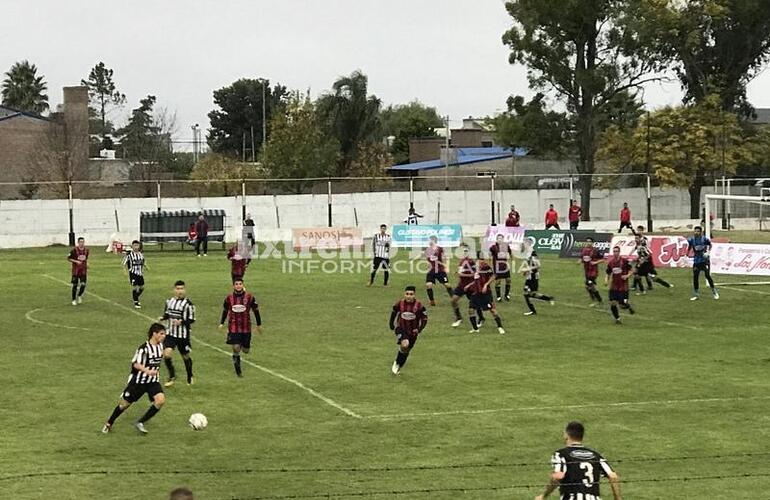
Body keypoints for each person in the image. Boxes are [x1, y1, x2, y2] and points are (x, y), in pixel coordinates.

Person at [102, 323, 167, 434]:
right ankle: (109, 423)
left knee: (160, 400)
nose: (164, 336)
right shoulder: (143, 349)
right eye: (161, 333)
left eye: (164, 334)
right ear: (154, 334)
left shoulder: (161, 346)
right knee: (124, 405)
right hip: (138, 382)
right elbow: (136, 364)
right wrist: (147, 371)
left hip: (153, 381)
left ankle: (140, 422)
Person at [534, 421, 621, 500]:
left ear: (566, 435)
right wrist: (617, 498)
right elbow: (613, 476)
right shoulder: (595, 455)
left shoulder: (561, 454)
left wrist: (543, 495)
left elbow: (558, 476)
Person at [219, 278, 262, 377]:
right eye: (236, 284)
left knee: (245, 350)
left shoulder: (249, 297)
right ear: (233, 286)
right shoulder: (229, 298)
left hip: (246, 327)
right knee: (236, 347)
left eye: (240, 284)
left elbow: (256, 311)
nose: (238, 286)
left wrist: (259, 324)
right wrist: (221, 323)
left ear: (243, 285)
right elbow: (225, 310)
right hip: (233, 327)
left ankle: (242, 344)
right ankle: (238, 371)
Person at [159, 280, 196, 387]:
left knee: (185, 357)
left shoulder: (189, 305)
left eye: (182, 289)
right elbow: (167, 314)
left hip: (183, 336)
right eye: (178, 289)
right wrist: (163, 318)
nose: (180, 291)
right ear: (174, 290)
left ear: (185, 290)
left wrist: (181, 322)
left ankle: (190, 375)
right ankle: (172, 375)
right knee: (166, 354)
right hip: (170, 333)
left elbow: (192, 319)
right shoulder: (169, 301)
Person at [388, 285, 428, 375]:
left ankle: (399, 364)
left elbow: (424, 319)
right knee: (405, 344)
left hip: (413, 332)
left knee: (406, 350)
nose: (409, 296)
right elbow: (394, 312)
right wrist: (391, 324)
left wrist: (419, 329)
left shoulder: (419, 306)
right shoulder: (400, 303)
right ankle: (397, 363)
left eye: (411, 294)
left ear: (414, 295)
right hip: (401, 328)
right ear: (404, 294)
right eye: (407, 294)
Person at [464, 251, 505, 334]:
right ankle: (475, 329)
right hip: (476, 292)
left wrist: (486, 284)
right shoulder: (474, 266)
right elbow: (476, 278)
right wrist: (469, 285)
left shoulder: (485, 266)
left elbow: (494, 276)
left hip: (485, 293)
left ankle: (500, 327)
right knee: (471, 310)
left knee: (492, 310)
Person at [631, 226, 672, 294]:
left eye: (637, 238)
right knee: (637, 274)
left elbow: (649, 254)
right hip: (643, 263)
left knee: (651, 277)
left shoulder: (642, 245)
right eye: (635, 238)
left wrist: (643, 260)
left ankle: (666, 285)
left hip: (647, 263)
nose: (636, 240)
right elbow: (641, 255)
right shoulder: (638, 246)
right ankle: (641, 290)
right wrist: (636, 259)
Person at [521, 242, 555, 316]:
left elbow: (538, 265)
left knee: (527, 294)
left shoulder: (533, 254)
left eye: (524, 244)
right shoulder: (528, 254)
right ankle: (548, 298)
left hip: (533, 277)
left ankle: (533, 311)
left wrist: (528, 269)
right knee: (532, 294)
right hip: (530, 276)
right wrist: (525, 272)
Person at [687, 226, 719, 301]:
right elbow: (689, 247)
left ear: (701, 232)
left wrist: (708, 252)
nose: (696, 233)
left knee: (707, 276)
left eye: (698, 231)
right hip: (696, 261)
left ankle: (714, 292)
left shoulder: (704, 239)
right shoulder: (692, 240)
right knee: (695, 277)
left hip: (704, 261)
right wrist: (687, 253)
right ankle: (696, 294)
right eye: (695, 231)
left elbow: (710, 245)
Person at [605, 245, 635, 324]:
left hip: (623, 286)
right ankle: (617, 319)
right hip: (614, 286)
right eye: (614, 251)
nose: (615, 253)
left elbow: (632, 270)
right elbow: (608, 273)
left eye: (617, 251)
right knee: (613, 303)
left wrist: (627, 276)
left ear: (619, 252)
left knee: (622, 305)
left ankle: (628, 306)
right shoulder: (611, 262)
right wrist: (606, 281)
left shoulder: (624, 261)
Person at [450, 244, 476, 328]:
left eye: (466, 251)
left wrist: (462, 275)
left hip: (470, 286)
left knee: (475, 303)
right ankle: (458, 317)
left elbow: (474, 275)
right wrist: (457, 273)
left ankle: (481, 318)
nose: (464, 252)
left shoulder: (472, 262)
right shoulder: (462, 261)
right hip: (461, 285)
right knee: (453, 300)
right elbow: (461, 272)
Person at [424, 235, 453, 306]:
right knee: (428, 285)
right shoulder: (428, 250)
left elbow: (446, 258)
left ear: (434, 241)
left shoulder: (440, 249)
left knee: (447, 285)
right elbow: (428, 259)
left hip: (440, 270)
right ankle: (432, 301)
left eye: (430, 240)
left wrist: (447, 267)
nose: (429, 242)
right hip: (431, 271)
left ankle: (453, 297)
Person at [580, 237, 603, 306]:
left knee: (590, 284)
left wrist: (595, 262)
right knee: (587, 286)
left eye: (590, 241)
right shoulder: (583, 250)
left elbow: (603, 259)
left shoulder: (595, 250)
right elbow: (582, 258)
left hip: (593, 271)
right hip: (586, 271)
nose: (588, 243)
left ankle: (598, 299)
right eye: (587, 241)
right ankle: (593, 296)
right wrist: (580, 261)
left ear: (592, 243)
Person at [122, 240, 146, 309]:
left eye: (137, 245)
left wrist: (145, 267)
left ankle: (135, 296)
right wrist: (125, 272)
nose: (136, 247)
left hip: (140, 273)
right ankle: (136, 302)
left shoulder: (140, 254)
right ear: (132, 246)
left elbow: (143, 262)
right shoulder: (129, 255)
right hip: (133, 273)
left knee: (142, 287)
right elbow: (124, 263)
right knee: (135, 287)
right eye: (134, 245)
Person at [490, 233, 512, 301]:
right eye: (498, 238)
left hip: (505, 266)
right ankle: (498, 296)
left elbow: (510, 252)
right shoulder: (493, 247)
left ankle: (506, 295)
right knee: (498, 281)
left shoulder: (506, 246)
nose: (500, 240)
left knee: (508, 280)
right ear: (496, 239)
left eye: (501, 238)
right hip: (497, 267)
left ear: (503, 239)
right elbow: (490, 255)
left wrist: (511, 260)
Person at [68, 236, 89, 306]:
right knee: (75, 285)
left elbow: (86, 259)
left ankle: (79, 295)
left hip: (83, 270)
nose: (82, 243)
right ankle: (74, 299)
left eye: (83, 242)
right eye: (80, 242)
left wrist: (87, 264)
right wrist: (76, 261)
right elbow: (69, 258)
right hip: (76, 271)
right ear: (78, 242)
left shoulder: (86, 250)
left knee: (83, 284)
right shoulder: (74, 250)